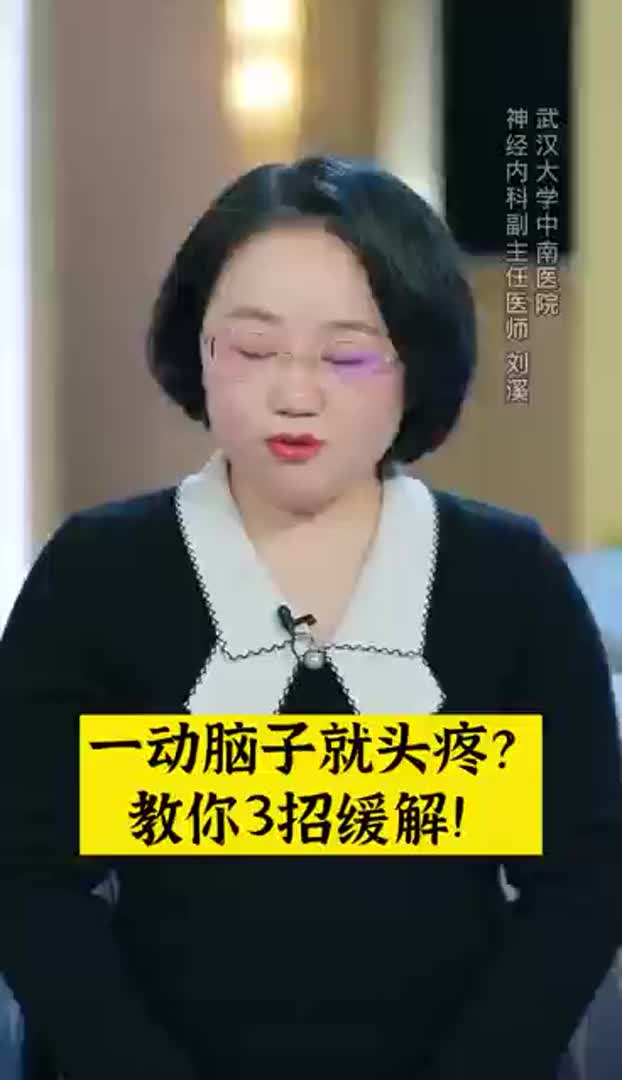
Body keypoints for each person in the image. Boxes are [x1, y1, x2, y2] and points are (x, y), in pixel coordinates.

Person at [0, 154, 620, 1080]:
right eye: (254, 351)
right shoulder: (95, 575)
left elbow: (581, 882)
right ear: (198, 348)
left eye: (347, 356)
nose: (295, 393)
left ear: (417, 366)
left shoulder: (509, 578)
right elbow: (29, 879)